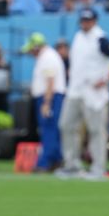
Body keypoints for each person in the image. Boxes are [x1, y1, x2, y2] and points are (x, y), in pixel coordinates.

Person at [57, 8, 109, 180]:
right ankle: (71, 164)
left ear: (94, 21)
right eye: (83, 20)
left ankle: (98, 168)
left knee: (96, 130)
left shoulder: (100, 38)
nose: (85, 23)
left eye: (88, 20)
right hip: (75, 90)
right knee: (66, 125)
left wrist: (106, 79)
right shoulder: (78, 37)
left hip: (94, 93)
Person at [24, 32, 67, 171]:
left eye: (31, 49)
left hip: (50, 97)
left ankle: (44, 162)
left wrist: (46, 103)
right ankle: (56, 160)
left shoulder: (48, 57)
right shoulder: (46, 56)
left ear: (36, 47)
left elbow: (50, 82)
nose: (30, 53)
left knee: (48, 129)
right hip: (49, 97)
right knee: (51, 129)